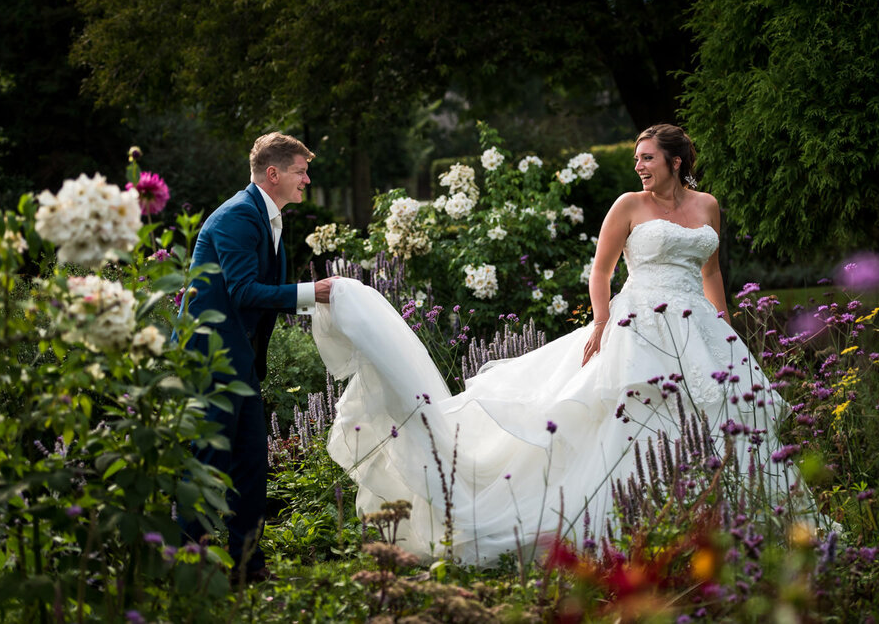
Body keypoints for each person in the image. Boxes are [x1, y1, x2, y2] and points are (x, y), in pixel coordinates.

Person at [311, 124, 811, 566]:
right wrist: (601, 320)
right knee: (634, 415)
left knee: (719, 413)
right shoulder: (628, 206)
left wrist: (722, 325)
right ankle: (636, 527)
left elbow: (712, 270)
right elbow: (602, 270)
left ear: (675, 162)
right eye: (636, 158)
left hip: (698, 325)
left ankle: (737, 519)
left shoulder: (707, 207)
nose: (639, 166)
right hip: (642, 324)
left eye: (647, 158)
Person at [179, 132, 333, 583]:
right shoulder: (238, 217)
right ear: (274, 174)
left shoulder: (268, 216)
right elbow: (244, 292)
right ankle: (194, 568)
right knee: (210, 463)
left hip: (238, 362)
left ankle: (246, 563)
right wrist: (311, 292)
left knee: (250, 463)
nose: (307, 179)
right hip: (211, 359)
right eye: (301, 171)